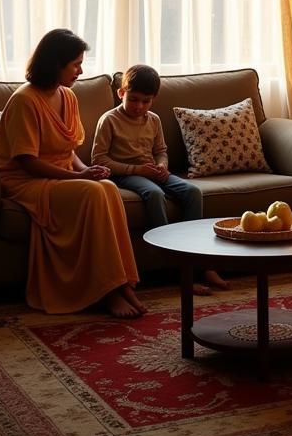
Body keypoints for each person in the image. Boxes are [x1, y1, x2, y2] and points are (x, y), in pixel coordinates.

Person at [0, 29, 145, 318]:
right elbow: (27, 162)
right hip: (25, 181)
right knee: (91, 192)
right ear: (55, 64)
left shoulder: (68, 97)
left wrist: (86, 170)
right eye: (75, 64)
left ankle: (121, 283)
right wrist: (80, 179)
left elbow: (67, 151)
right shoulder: (25, 101)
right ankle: (109, 291)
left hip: (59, 174)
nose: (80, 70)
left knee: (108, 188)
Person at [92, 64, 228, 295]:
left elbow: (161, 151)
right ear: (121, 93)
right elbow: (99, 159)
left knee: (192, 192)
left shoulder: (153, 120)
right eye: (133, 100)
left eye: (146, 101)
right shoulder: (109, 120)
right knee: (154, 194)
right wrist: (136, 170)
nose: (139, 107)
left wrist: (162, 166)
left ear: (153, 99)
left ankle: (202, 264)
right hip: (125, 175)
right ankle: (176, 269)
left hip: (152, 170)